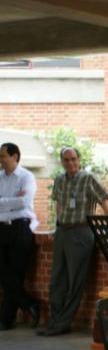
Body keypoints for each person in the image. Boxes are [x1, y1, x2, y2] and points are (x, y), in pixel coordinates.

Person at [39, 147, 108, 336]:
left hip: (81, 232)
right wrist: (56, 225)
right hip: (62, 232)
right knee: (57, 279)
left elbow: (104, 201)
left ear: (79, 160)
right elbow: (58, 204)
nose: (70, 163)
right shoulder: (59, 180)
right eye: (66, 160)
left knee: (75, 281)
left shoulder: (88, 178)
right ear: (62, 162)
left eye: (73, 159)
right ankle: (55, 320)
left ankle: (63, 323)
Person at [0, 142, 39, 331]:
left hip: (20, 228)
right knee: (5, 273)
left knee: (16, 273)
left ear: (14, 156)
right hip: (1, 228)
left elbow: (25, 201)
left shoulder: (26, 176)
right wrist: (13, 201)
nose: (0, 160)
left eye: (3, 156)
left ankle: (6, 320)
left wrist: (3, 202)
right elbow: (17, 201)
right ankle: (29, 303)